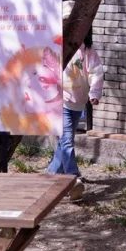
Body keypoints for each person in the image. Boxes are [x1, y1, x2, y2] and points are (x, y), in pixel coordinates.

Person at [47, 36, 104, 198]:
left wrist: (94, 93)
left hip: (78, 101)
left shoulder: (87, 50)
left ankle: (52, 173)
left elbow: (96, 71)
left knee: (66, 140)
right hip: (61, 101)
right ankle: (73, 178)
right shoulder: (57, 46)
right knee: (66, 140)